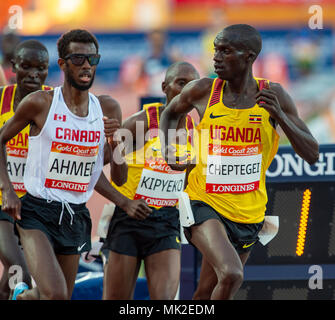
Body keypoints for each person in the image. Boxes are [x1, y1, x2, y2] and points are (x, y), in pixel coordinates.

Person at [160, 24, 319, 300]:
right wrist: (169, 150)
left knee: (206, 292)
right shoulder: (203, 91)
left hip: (249, 212)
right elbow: (170, 114)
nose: (216, 58)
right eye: (216, 50)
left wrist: (279, 115)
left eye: (225, 51)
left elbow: (312, 153)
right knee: (232, 273)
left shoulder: (273, 95)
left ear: (249, 57)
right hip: (203, 202)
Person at [0, 29, 151, 300]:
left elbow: (108, 176)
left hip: (75, 216)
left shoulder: (107, 108)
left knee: (60, 296)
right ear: (62, 63)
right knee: (54, 293)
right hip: (36, 213)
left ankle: (20, 297)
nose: (86, 65)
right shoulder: (40, 103)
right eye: (79, 58)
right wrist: (8, 190)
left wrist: (116, 146)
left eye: (92, 59)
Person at [102, 61, 200, 300]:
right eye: (181, 83)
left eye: (193, 85)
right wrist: (124, 203)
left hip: (166, 223)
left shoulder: (192, 128)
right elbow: (93, 167)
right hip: (129, 220)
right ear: (164, 87)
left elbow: (186, 180)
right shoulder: (143, 122)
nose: (188, 91)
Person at [0, 39, 52, 300]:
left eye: (40, 68)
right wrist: (6, 188)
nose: (34, 74)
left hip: (33, 205)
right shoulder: (1, 100)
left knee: (9, 281)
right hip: (3, 202)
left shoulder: (55, 102)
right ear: (14, 67)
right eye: (26, 66)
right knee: (20, 273)